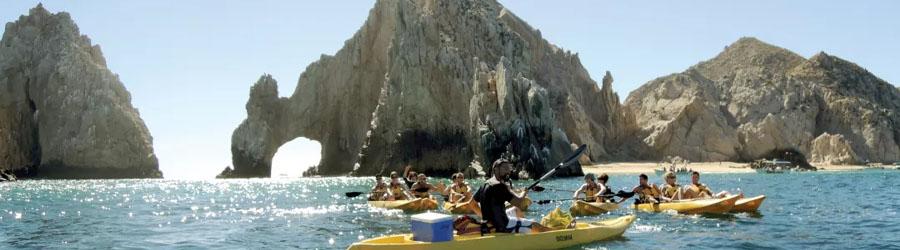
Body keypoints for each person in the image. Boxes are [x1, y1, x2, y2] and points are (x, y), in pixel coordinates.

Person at [474, 159, 549, 233]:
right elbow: (518, 202)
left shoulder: (484, 185)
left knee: (516, 210)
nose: (508, 172)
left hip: (488, 224)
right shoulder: (500, 186)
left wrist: (485, 219)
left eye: (509, 169)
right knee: (535, 224)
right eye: (505, 169)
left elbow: (472, 203)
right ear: (496, 169)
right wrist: (524, 192)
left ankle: (523, 230)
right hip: (503, 225)